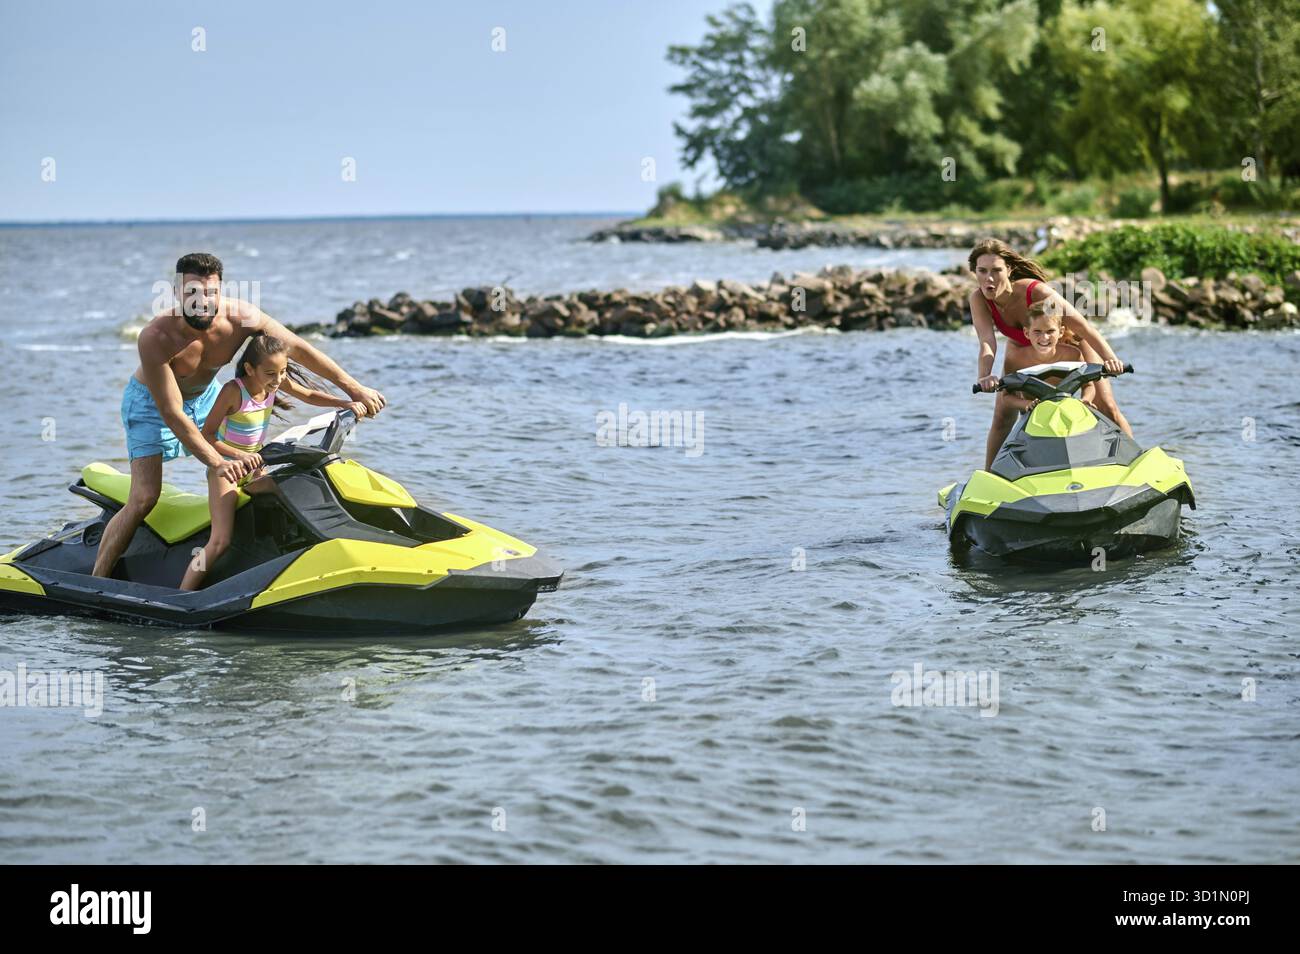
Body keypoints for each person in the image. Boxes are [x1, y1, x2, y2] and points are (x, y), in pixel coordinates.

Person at [93, 252, 386, 579]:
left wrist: (354, 390)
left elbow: (298, 349)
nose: (201, 302)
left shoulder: (242, 317)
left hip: (206, 395)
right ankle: (95, 583)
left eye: (210, 293)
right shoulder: (156, 337)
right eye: (192, 293)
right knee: (145, 497)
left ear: (221, 291)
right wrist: (218, 462)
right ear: (177, 293)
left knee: (256, 467)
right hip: (152, 404)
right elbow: (172, 413)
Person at [179, 333, 367, 591]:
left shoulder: (273, 382)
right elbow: (207, 436)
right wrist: (240, 455)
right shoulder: (234, 391)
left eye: (283, 372)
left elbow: (310, 395)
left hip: (255, 469)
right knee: (220, 541)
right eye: (270, 373)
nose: (278, 380)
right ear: (249, 368)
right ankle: (184, 591)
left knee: (292, 489)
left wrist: (347, 402)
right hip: (226, 470)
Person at [968, 238, 1130, 471]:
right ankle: (989, 478)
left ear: (1009, 270)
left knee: (1106, 405)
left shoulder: (1037, 291)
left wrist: (1111, 360)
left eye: (996, 270)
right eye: (982, 271)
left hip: (1071, 343)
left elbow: (1085, 328)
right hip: (1022, 349)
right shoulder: (978, 299)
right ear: (975, 272)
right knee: (1002, 416)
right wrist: (985, 376)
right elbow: (987, 341)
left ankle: (1134, 463)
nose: (989, 278)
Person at [996, 302, 1097, 418]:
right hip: (1033, 416)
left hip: (1066, 413)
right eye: (1037, 331)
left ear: (1061, 332)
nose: (1044, 338)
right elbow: (1006, 396)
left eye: (1050, 331)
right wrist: (1026, 404)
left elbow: (1088, 386)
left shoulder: (1073, 355)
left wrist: (1085, 400)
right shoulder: (1015, 360)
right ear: (1026, 333)